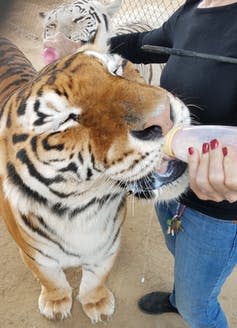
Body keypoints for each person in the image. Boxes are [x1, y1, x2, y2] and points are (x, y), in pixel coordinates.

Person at [110, 1, 237, 327]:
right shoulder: (194, 7)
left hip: (218, 210)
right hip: (169, 179)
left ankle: (190, 303)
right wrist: (91, 46)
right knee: (177, 248)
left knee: (199, 310)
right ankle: (180, 295)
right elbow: (144, 44)